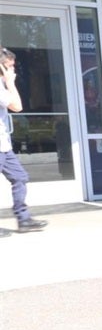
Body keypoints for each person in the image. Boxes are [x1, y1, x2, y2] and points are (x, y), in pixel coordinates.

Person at [1, 46, 47, 234]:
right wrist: (11, 83)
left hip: (3, 146)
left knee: (19, 177)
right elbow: (17, 106)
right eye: (8, 66)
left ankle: (24, 219)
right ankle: (23, 219)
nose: (12, 70)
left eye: (12, 67)